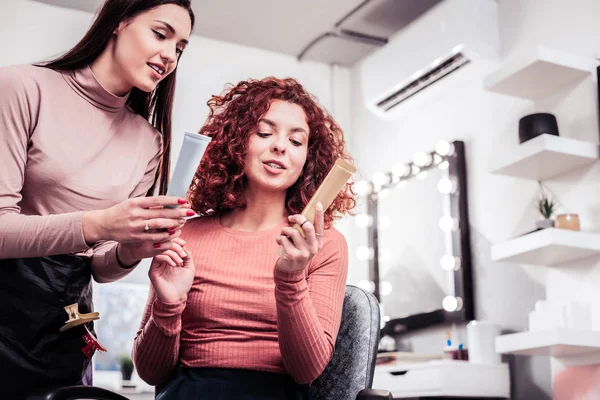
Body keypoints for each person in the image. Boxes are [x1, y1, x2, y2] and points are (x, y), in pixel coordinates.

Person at [0, 0, 195, 396]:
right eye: (160, 34)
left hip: (67, 328)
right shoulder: (22, 88)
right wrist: (101, 223)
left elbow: (100, 266)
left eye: (180, 47)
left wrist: (131, 249)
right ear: (119, 22)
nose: (169, 55)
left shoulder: (149, 141)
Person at [132, 77, 357, 399]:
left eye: (296, 141)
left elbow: (307, 371)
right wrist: (167, 305)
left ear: (309, 159)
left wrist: (291, 277)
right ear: (236, 141)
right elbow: (151, 372)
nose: (279, 146)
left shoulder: (323, 244)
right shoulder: (185, 234)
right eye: (264, 133)